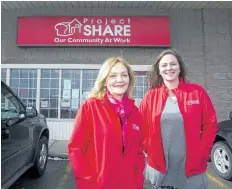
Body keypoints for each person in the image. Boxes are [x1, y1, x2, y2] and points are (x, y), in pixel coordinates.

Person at [139, 49, 218, 189]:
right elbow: (140, 126)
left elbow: (210, 125)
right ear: (158, 70)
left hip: (191, 167)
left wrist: (203, 152)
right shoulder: (150, 97)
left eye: (173, 64)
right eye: (164, 65)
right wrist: (148, 148)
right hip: (160, 168)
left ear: (179, 67)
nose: (169, 68)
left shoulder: (196, 92)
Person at [68, 57, 145, 189]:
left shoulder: (135, 112)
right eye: (113, 76)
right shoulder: (90, 107)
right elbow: (76, 149)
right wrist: (88, 184)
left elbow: (138, 152)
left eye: (124, 75)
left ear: (129, 79)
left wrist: (137, 181)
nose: (119, 80)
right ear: (104, 81)